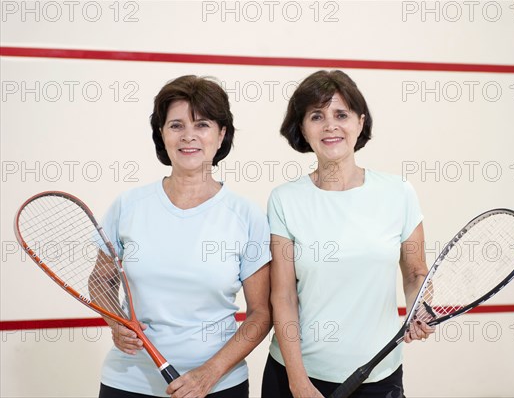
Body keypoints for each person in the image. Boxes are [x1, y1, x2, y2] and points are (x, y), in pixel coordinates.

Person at [261, 70, 435, 398]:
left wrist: (420, 305)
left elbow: (415, 273)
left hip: (379, 375)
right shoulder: (285, 199)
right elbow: (282, 296)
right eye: (317, 116)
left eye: (341, 114)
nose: (330, 126)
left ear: (360, 122)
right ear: (302, 128)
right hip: (297, 376)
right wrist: (298, 383)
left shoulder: (399, 192)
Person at [96, 75, 271, 398]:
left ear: (221, 135)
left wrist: (209, 374)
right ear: (161, 135)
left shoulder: (247, 216)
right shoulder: (128, 206)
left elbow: (261, 313)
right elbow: (102, 281)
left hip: (218, 386)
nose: (188, 136)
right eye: (176, 125)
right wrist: (114, 322)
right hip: (128, 382)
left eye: (202, 125)